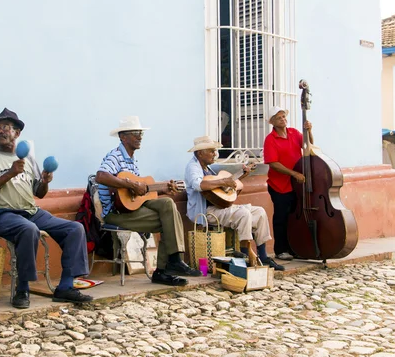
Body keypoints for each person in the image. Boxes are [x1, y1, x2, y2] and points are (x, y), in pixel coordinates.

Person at [0, 108, 92, 309]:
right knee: (28, 230)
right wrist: (10, 173)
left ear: (17, 133)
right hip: (0, 214)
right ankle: (22, 289)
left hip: (30, 212)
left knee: (75, 229)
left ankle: (66, 286)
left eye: (5, 127)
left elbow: (39, 192)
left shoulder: (28, 159)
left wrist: (45, 180)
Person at [95, 116, 201, 287]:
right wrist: (130, 184)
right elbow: (101, 176)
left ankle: (172, 261)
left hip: (131, 208)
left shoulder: (131, 160)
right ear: (123, 137)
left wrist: (162, 189)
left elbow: (139, 192)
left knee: (167, 204)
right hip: (115, 213)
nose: (140, 137)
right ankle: (164, 270)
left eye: (141, 133)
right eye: (135, 133)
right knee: (168, 220)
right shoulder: (115, 156)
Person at [184, 136, 284, 271]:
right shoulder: (193, 167)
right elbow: (199, 185)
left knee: (259, 212)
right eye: (211, 151)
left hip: (219, 208)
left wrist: (241, 176)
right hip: (205, 212)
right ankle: (244, 254)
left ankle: (263, 256)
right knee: (243, 214)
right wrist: (224, 182)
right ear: (200, 153)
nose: (215, 154)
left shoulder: (208, 169)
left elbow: (223, 191)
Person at [263, 106, 313, 261]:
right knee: (281, 217)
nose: (283, 119)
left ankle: (294, 247)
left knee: (295, 217)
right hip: (279, 185)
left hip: (296, 184)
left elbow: (308, 145)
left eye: (284, 116)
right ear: (272, 122)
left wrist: (309, 131)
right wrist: (294, 173)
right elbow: (273, 163)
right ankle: (281, 249)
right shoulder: (270, 139)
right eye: (279, 118)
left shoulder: (294, 132)